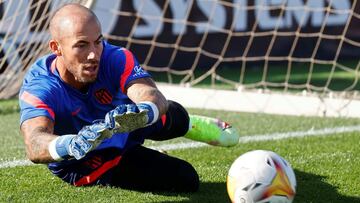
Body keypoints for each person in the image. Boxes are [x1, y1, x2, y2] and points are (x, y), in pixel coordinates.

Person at [19, 3, 239, 192]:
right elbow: (35, 143)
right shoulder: (40, 87)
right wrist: (73, 143)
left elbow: (151, 94)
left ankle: (189, 124)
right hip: (86, 159)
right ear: (56, 47)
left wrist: (144, 111)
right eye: (82, 45)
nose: (94, 54)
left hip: (121, 123)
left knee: (170, 114)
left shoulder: (114, 57)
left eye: (98, 41)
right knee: (185, 178)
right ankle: (134, 151)